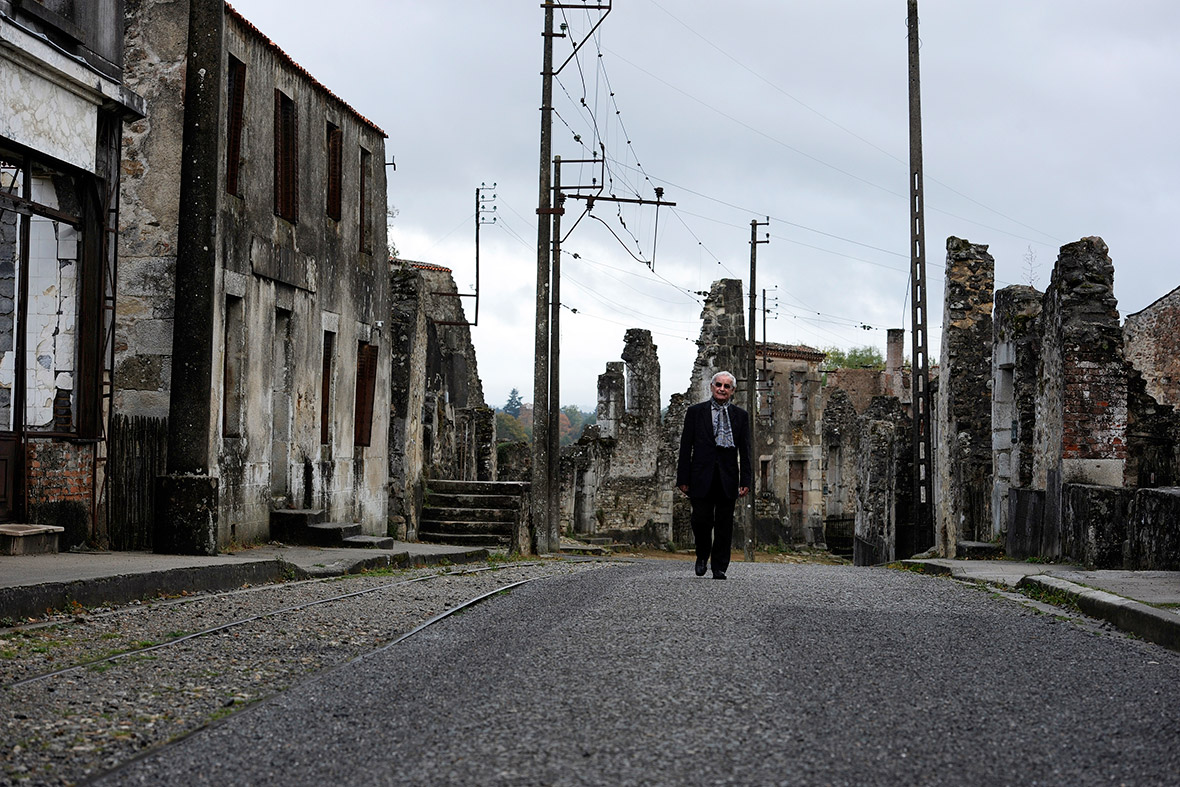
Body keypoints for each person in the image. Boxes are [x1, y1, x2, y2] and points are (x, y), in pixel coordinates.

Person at [676, 370, 751, 580]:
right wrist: (683, 478)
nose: (722, 389)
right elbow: (685, 447)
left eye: (727, 386)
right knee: (700, 520)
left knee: (724, 524)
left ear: (732, 391)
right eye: (719, 385)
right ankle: (702, 555)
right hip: (700, 476)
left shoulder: (741, 416)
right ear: (712, 387)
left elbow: (745, 451)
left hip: (727, 478)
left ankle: (719, 566)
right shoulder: (695, 412)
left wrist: (746, 480)